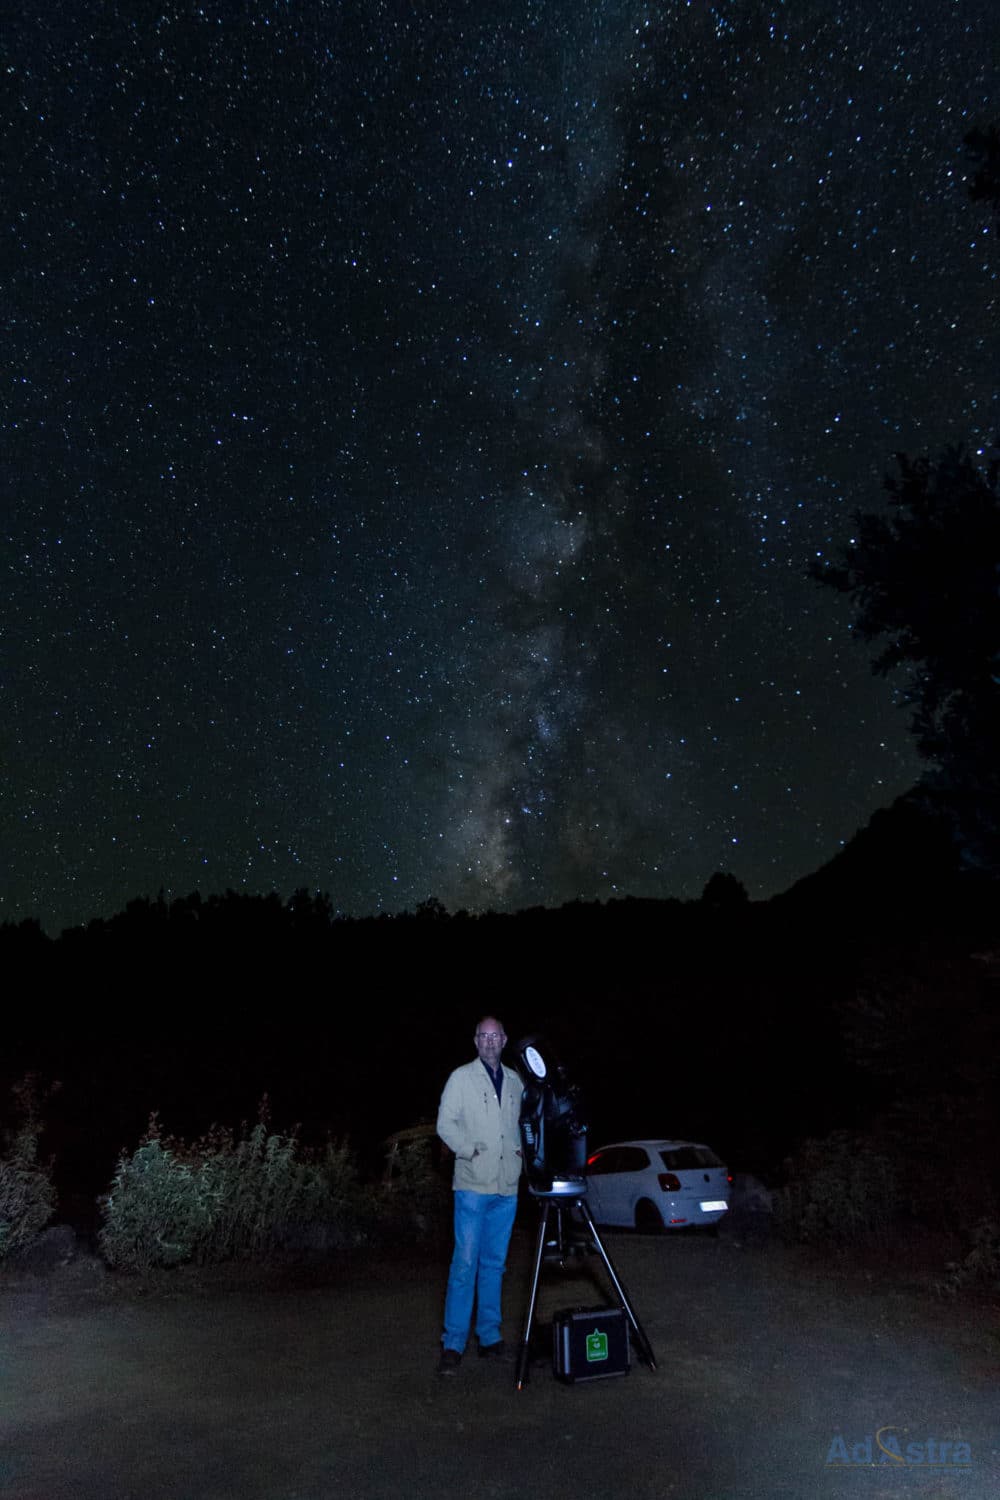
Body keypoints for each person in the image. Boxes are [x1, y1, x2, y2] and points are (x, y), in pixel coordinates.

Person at [435, 1016, 524, 1374]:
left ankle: (489, 1337)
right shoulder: (460, 1078)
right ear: (475, 1041)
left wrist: (523, 1152)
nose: (489, 1042)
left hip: (507, 1187)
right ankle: (453, 1343)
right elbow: (445, 1124)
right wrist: (468, 1149)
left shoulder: (517, 1081)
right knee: (465, 1264)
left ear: (504, 1040)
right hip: (473, 1186)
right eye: (483, 1036)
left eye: (495, 1036)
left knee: (494, 1265)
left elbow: (524, 1125)